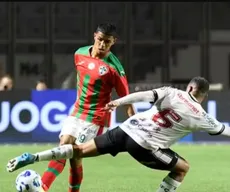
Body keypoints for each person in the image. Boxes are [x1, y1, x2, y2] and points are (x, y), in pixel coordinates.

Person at [7, 76, 230, 192]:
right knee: (183, 168)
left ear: (189, 88)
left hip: (126, 129)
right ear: (203, 95)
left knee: (79, 150)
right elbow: (225, 130)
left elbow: (142, 95)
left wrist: (118, 102)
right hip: (144, 145)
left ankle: (33, 157)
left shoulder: (172, 92)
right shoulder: (203, 116)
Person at [38, 23, 134, 192]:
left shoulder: (114, 67)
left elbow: (125, 96)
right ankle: (42, 187)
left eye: (107, 41)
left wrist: (132, 118)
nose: (102, 45)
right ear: (94, 36)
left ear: (114, 42)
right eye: (100, 40)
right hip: (77, 111)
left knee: (75, 156)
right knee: (64, 146)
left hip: (97, 118)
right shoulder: (79, 54)